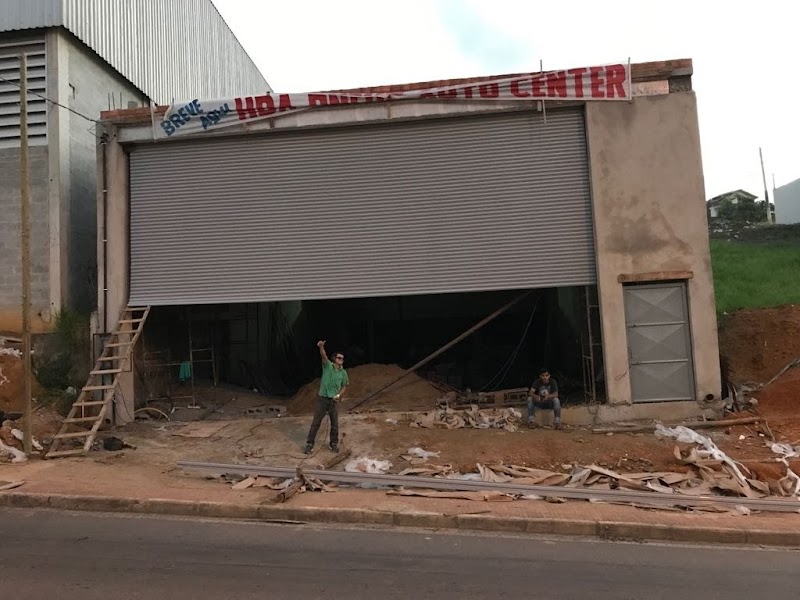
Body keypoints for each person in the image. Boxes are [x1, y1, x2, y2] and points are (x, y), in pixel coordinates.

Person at [304, 340, 349, 454]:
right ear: (334, 359)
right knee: (316, 422)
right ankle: (310, 444)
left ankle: (333, 443)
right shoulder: (328, 366)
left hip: (333, 400)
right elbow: (323, 356)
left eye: (342, 358)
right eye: (339, 358)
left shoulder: (343, 373)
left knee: (335, 424)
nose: (341, 360)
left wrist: (339, 395)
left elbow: (344, 386)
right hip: (322, 399)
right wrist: (321, 347)